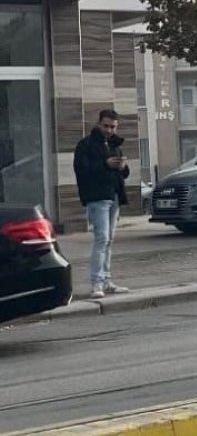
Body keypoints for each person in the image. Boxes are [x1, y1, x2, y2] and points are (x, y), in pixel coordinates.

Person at [73, 109, 132, 299]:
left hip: (113, 195)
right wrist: (106, 164)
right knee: (102, 238)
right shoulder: (86, 145)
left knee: (109, 240)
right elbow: (82, 170)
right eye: (106, 126)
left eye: (112, 126)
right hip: (97, 197)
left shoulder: (115, 145)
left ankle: (106, 281)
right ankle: (96, 283)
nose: (109, 130)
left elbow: (123, 173)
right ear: (99, 124)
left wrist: (123, 167)